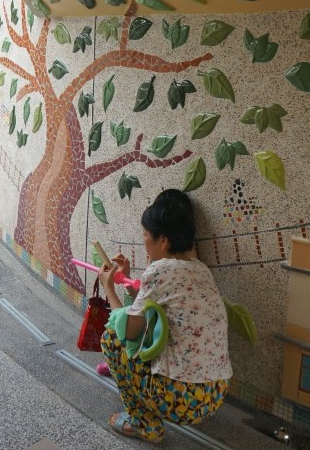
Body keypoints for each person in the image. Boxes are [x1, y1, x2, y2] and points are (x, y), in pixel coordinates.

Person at [98, 189, 231, 443]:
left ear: (164, 241)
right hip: (215, 395)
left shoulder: (159, 270)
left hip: (179, 400)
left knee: (111, 339)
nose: (144, 241)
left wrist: (108, 288)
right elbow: (161, 302)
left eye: (146, 236)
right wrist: (128, 283)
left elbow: (128, 330)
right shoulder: (201, 270)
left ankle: (144, 424)